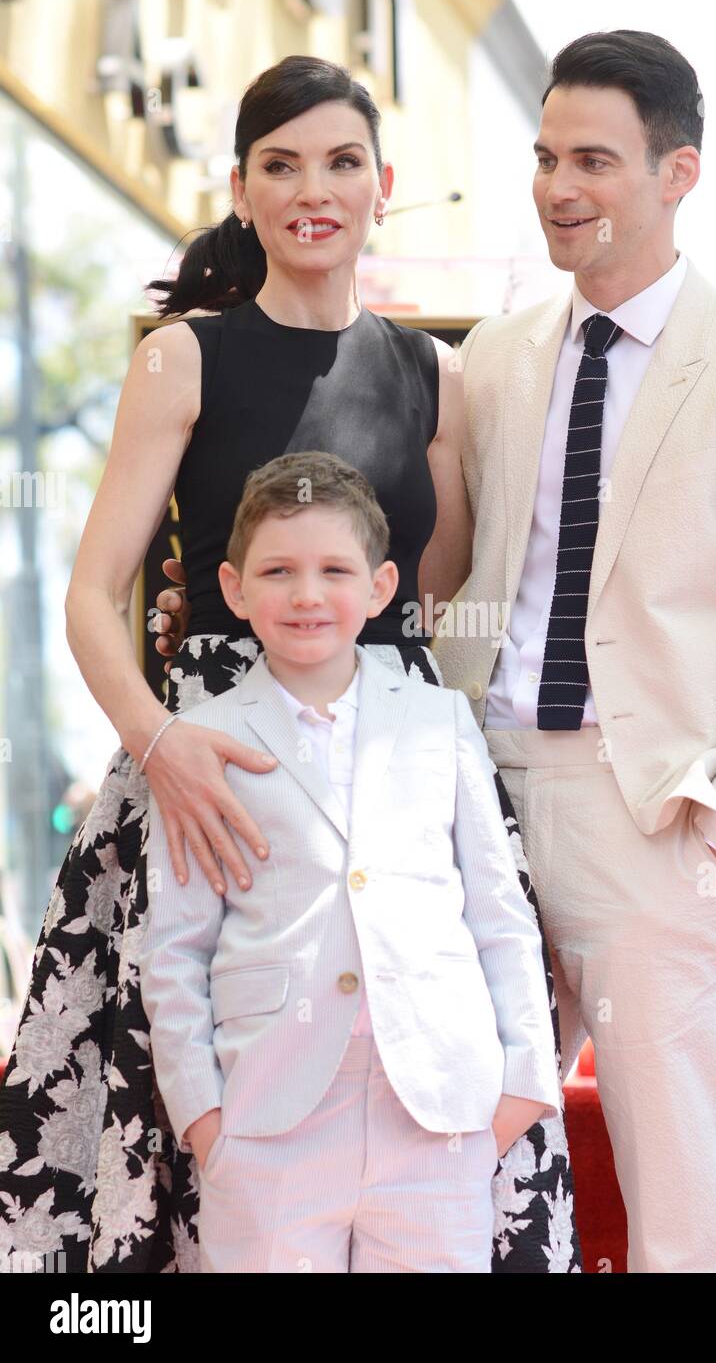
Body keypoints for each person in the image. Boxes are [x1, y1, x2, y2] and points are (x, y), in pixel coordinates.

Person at [0, 55, 580, 1274]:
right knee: (147, 1151)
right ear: (243, 188)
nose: (313, 190)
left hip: (397, 771)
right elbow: (91, 595)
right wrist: (164, 748)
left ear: (383, 187)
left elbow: (434, 600)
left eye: (342, 162)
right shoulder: (183, 358)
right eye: (282, 164)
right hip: (204, 772)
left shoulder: (441, 375)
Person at [431, 29, 716, 1272]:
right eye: (545, 156)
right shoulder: (498, 357)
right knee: (454, 1155)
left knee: (677, 1205)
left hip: (658, 822)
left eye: (595, 160)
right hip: (483, 799)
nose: (558, 186)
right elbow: (466, 576)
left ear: (679, 173)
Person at [140, 450, 560, 1273]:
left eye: (335, 569)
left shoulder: (440, 721)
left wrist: (519, 1091)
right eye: (279, 571)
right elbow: (175, 951)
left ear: (378, 587)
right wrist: (207, 1124)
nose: (306, 594)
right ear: (232, 589)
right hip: (270, 1121)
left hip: (437, 1117)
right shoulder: (203, 744)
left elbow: (500, 916)